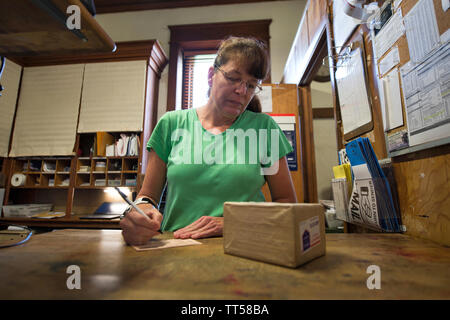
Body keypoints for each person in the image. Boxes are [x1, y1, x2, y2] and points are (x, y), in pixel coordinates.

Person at [120, 36, 297, 245]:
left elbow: (286, 204)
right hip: (177, 249)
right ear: (212, 75)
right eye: (233, 78)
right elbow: (147, 196)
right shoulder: (171, 124)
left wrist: (234, 222)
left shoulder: (265, 129)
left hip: (246, 248)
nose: (241, 91)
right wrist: (140, 212)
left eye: (251, 85)